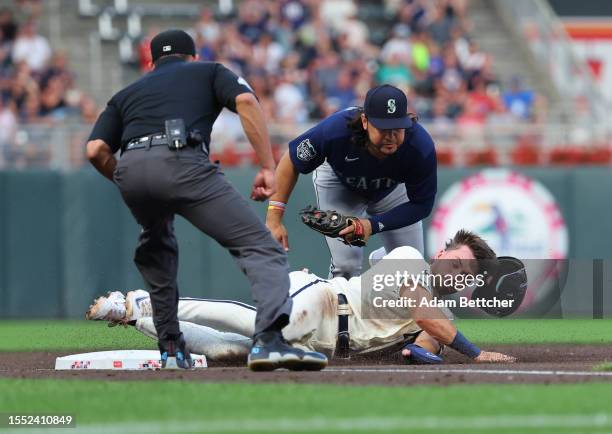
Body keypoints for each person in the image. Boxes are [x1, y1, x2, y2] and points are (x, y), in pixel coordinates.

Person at [86, 29, 327, 371]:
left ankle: (171, 349)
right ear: (193, 57)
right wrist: (266, 167)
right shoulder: (209, 71)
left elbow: (95, 150)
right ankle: (269, 341)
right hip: (182, 160)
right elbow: (245, 101)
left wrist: (128, 179)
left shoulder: (126, 93)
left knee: (159, 251)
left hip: (132, 168)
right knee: (260, 247)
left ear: (152, 63)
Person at [86, 230, 517, 364]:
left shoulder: (438, 314)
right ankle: (147, 300)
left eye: (466, 276)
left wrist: (428, 350)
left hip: (325, 344)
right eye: (456, 263)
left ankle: (138, 319)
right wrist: (474, 354)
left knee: (228, 352)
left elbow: (424, 346)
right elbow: (427, 319)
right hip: (324, 302)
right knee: (252, 321)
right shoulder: (408, 258)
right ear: (441, 252)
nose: (457, 274)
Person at [266, 84, 437, 279]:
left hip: (390, 191)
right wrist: (274, 219)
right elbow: (291, 160)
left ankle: (384, 263)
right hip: (339, 183)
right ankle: (336, 307)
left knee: (412, 270)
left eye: (398, 128)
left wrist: (371, 225)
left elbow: (422, 204)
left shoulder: (419, 145)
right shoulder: (336, 130)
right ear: (365, 121)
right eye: (383, 128)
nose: (391, 136)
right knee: (346, 266)